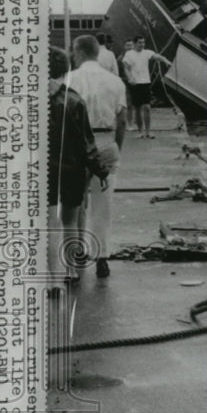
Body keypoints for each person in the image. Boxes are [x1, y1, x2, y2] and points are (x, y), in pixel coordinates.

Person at [48, 46, 109, 283]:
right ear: (66, 69)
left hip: (43, 172)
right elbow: (87, 144)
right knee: (70, 221)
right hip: (71, 170)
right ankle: (71, 270)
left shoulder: (30, 99)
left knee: (50, 223)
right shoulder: (73, 100)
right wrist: (100, 171)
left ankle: (53, 279)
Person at [67, 35, 126, 278]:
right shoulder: (115, 81)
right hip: (106, 140)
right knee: (104, 204)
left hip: (80, 143)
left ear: (79, 52)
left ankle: (78, 250)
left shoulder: (71, 79)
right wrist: (116, 147)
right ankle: (102, 257)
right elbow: (122, 119)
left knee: (76, 202)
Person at [121, 35, 170, 138]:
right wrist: (130, 78)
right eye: (139, 43)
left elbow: (157, 56)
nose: (142, 44)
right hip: (135, 84)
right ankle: (140, 131)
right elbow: (126, 68)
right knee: (137, 109)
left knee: (147, 107)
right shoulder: (129, 54)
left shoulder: (146, 52)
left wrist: (166, 61)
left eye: (143, 42)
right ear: (135, 44)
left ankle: (148, 131)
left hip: (145, 83)